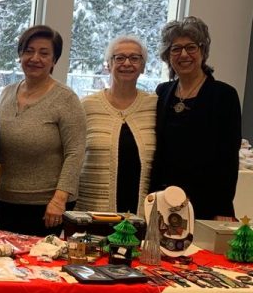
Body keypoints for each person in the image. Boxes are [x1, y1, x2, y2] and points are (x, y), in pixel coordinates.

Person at [0, 25, 85, 236]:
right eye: (29, 51)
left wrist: (59, 199)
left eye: (44, 53)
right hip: (6, 200)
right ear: (20, 55)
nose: (35, 58)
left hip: (47, 206)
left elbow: (75, 153)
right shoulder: (7, 93)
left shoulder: (66, 99)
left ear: (54, 60)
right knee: (7, 256)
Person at [150, 16, 241, 220]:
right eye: (176, 49)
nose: (184, 54)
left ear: (202, 51)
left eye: (191, 47)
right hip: (164, 200)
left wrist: (222, 208)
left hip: (206, 202)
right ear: (168, 55)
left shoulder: (224, 95)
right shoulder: (162, 92)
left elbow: (228, 158)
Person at [77, 35, 157, 214]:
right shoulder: (87, 106)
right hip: (92, 213)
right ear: (109, 64)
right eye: (119, 58)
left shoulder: (154, 106)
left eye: (134, 58)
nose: (126, 63)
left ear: (143, 66)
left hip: (142, 215)